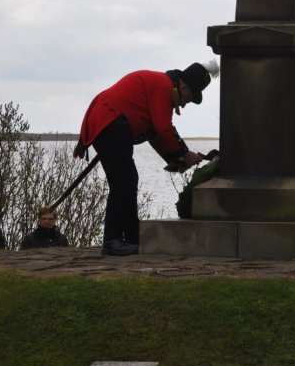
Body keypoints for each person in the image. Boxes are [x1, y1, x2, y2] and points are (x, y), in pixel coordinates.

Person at [74, 61, 219, 257]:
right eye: (189, 98)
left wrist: (177, 159)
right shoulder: (162, 87)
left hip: (107, 123)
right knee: (124, 181)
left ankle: (131, 237)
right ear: (184, 87)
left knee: (127, 180)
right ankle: (112, 240)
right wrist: (185, 154)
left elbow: (155, 135)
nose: (185, 104)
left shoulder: (160, 85)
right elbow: (164, 129)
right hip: (111, 123)